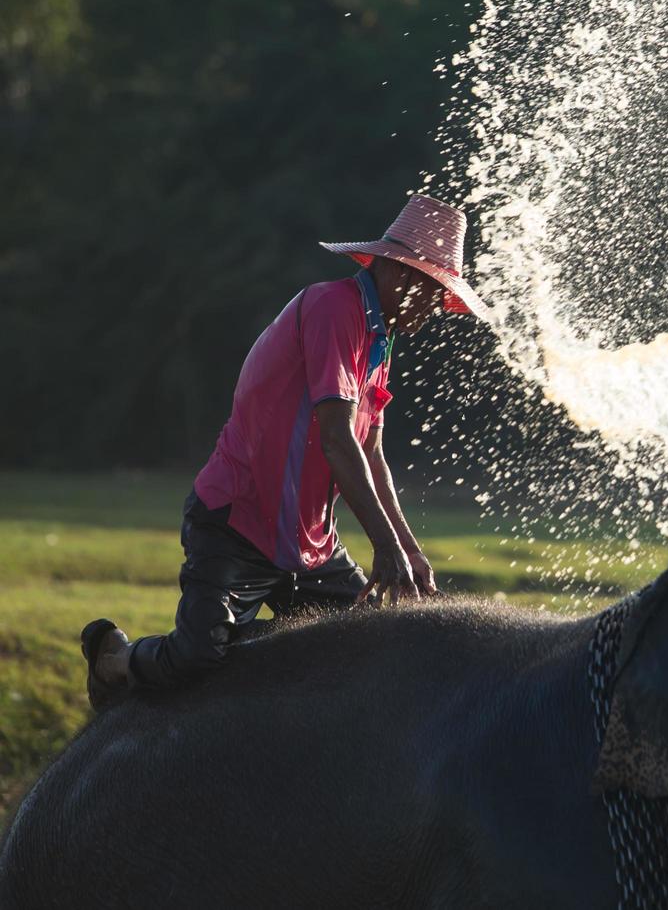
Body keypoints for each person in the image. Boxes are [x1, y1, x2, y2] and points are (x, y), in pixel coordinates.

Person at [81, 194, 494, 711]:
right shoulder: (332, 308)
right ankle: (114, 659)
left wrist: (409, 550)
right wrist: (384, 549)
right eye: (433, 294)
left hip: (310, 544)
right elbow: (338, 438)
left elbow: (372, 450)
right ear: (398, 275)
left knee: (362, 640)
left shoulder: (377, 341)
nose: (435, 309)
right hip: (239, 523)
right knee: (198, 656)